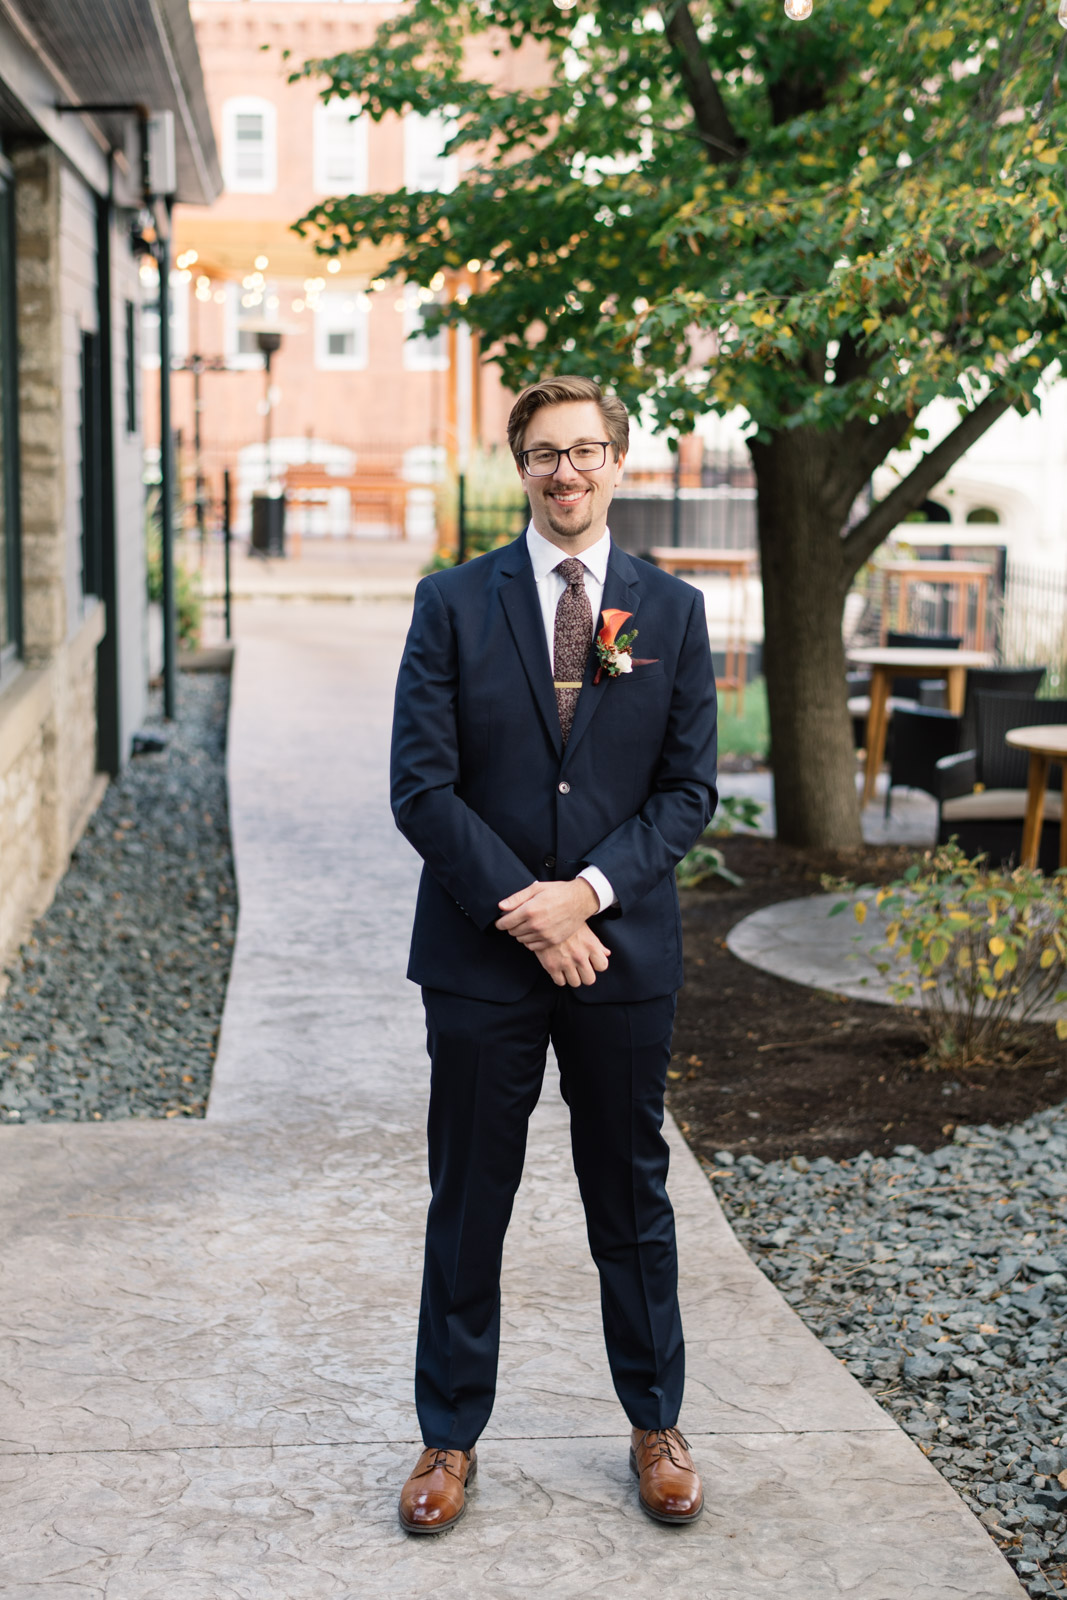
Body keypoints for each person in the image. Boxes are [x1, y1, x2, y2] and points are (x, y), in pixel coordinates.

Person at [390, 374, 718, 1534]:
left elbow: (687, 793)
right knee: (466, 1196)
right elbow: (420, 788)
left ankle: (655, 1423)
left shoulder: (669, 613)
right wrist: (522, 906)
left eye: (584, 451)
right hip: (479, 960)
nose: (564, 472)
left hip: (619, 956)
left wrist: (581, 894)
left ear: (618, 462)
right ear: (516, 465)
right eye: (542, 453)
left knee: (627, 1195)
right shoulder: (450, 602)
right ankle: (445, 1437)